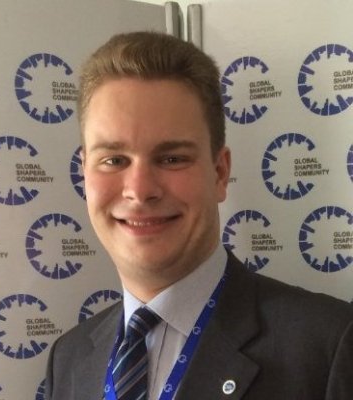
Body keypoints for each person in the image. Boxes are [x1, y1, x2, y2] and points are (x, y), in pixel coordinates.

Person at [45, 31, 353, 400]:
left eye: (171, 158)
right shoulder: (69, 358)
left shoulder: (329, 347)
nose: (139, 190)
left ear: (219, 173)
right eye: (113, 160)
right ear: (84, 172)